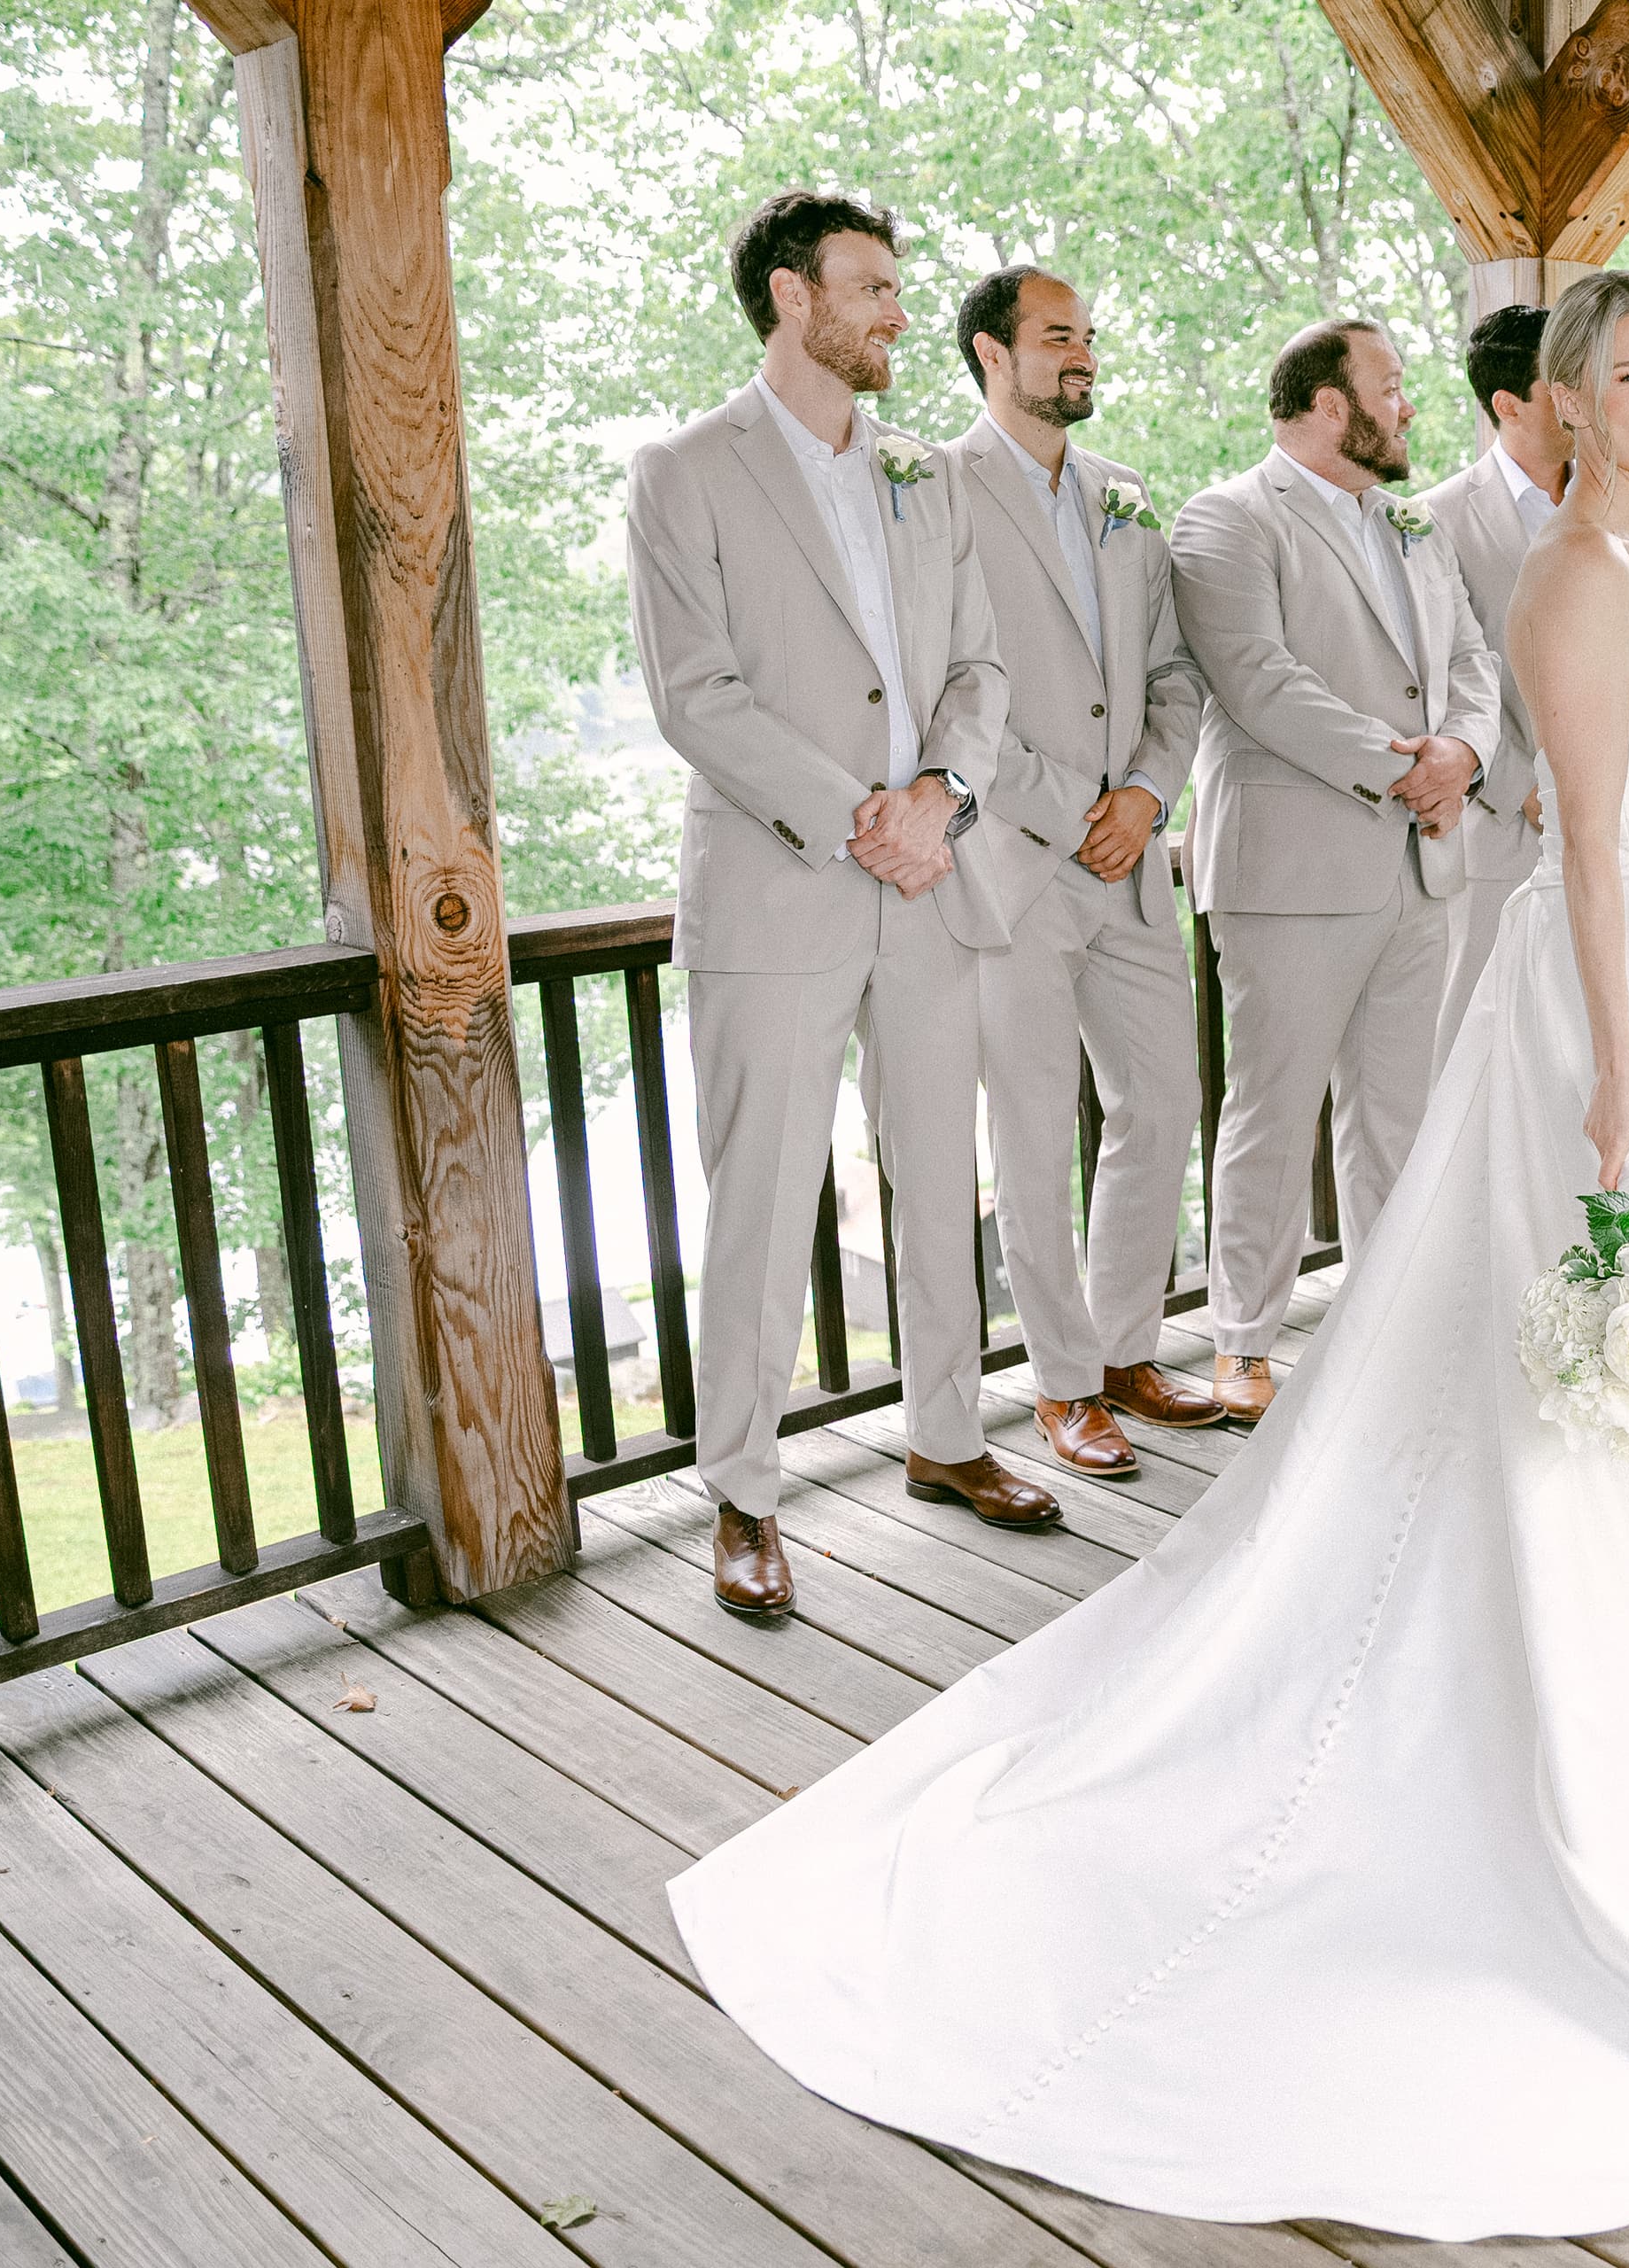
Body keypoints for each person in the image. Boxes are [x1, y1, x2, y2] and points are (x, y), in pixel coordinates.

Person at [667, 268, 1629, 2241]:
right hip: (1602, 1015)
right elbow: (1591, 842)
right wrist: (1627, 1068)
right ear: (1565, 403)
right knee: (1557, 1359)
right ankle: (1550, 1716)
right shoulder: (1571, 581)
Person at [624, 189, 1050, 1619]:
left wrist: (940, 798)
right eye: (870, 287)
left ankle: (947, 1440)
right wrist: (852, 817)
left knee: (944, 1179)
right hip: (773, 888)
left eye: (894, 287)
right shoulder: (685, 472)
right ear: (791, 298)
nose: (894, 314)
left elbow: (982, 673)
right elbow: (696, 695)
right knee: (759, 1199)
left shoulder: (928, 476)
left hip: (933, 882)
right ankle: (743, 1493)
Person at [1167, 319, 1501, 1423]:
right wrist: (1406, 769)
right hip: (1293, 873)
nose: (1408, 406)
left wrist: (1469, 751)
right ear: (1325, 404)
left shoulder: (1413, 527)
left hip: (1421, 868)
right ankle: (1244, 1341)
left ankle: (1387, 1327)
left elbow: (1471, 660)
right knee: (1271, 1112)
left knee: (1395, 1114)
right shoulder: (1226, 520)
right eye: (1390, 387)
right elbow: (1260, 682)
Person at [947, 264, 1219, 1478]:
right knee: (1034, 1128)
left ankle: (1123, 1349)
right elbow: (945, 695)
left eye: (1090, 337)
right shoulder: (937, 494)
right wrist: (1076, 813)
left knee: (1162, 1104)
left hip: (1134, 864)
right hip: (1016, 868)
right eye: (1060, 337)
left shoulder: (1124, 496)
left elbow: (1175, 675)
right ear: (992, 354)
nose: (1085, 356)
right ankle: (1060, 1386)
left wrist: (1152, 795)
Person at [1419, 301, 1565, 1062]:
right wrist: (1525, 790)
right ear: (1508, 404)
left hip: (1610, 840)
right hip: (1499, 838)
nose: (1586, 394)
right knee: (1471, 1058)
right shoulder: (1434, 519)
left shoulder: (1626, 507)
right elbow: (1437, 685)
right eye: (1563, 380)